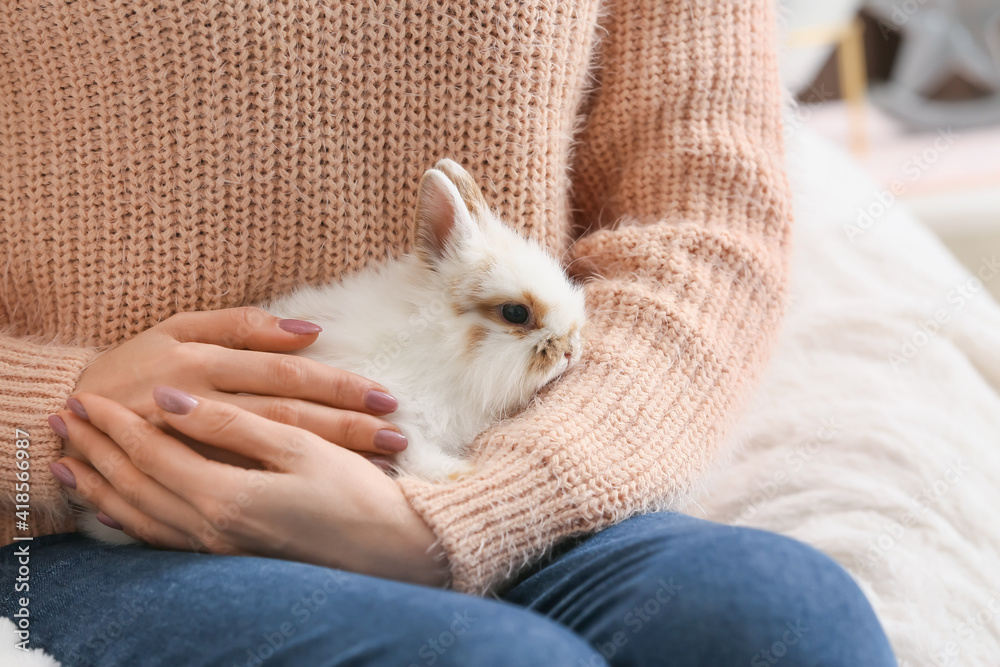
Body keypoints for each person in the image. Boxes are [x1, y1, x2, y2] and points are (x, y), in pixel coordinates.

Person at [0, 0, 897, 664]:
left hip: (513, 476)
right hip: (98, 527)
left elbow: (704, 224)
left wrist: (468, 511)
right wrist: (53, 422)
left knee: (782, 618)